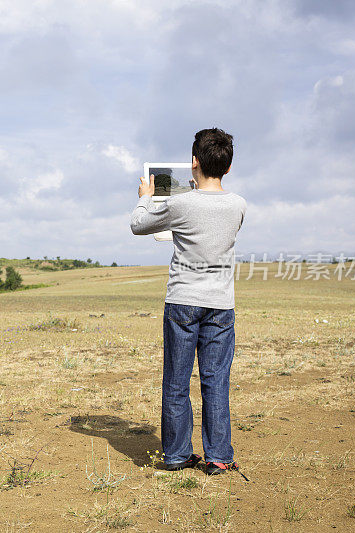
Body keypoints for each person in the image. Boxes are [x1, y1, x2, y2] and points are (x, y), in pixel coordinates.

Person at [130, 128, 246, 475]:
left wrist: (145, 196)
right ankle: (218, 456)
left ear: (194, 162)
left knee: (177, 381)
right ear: (228, 167)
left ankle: (178, 454)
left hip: (182, 301)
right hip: (221, 304)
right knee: (216, 381)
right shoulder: (238, 204)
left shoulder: (180, 203)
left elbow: (139, 224)